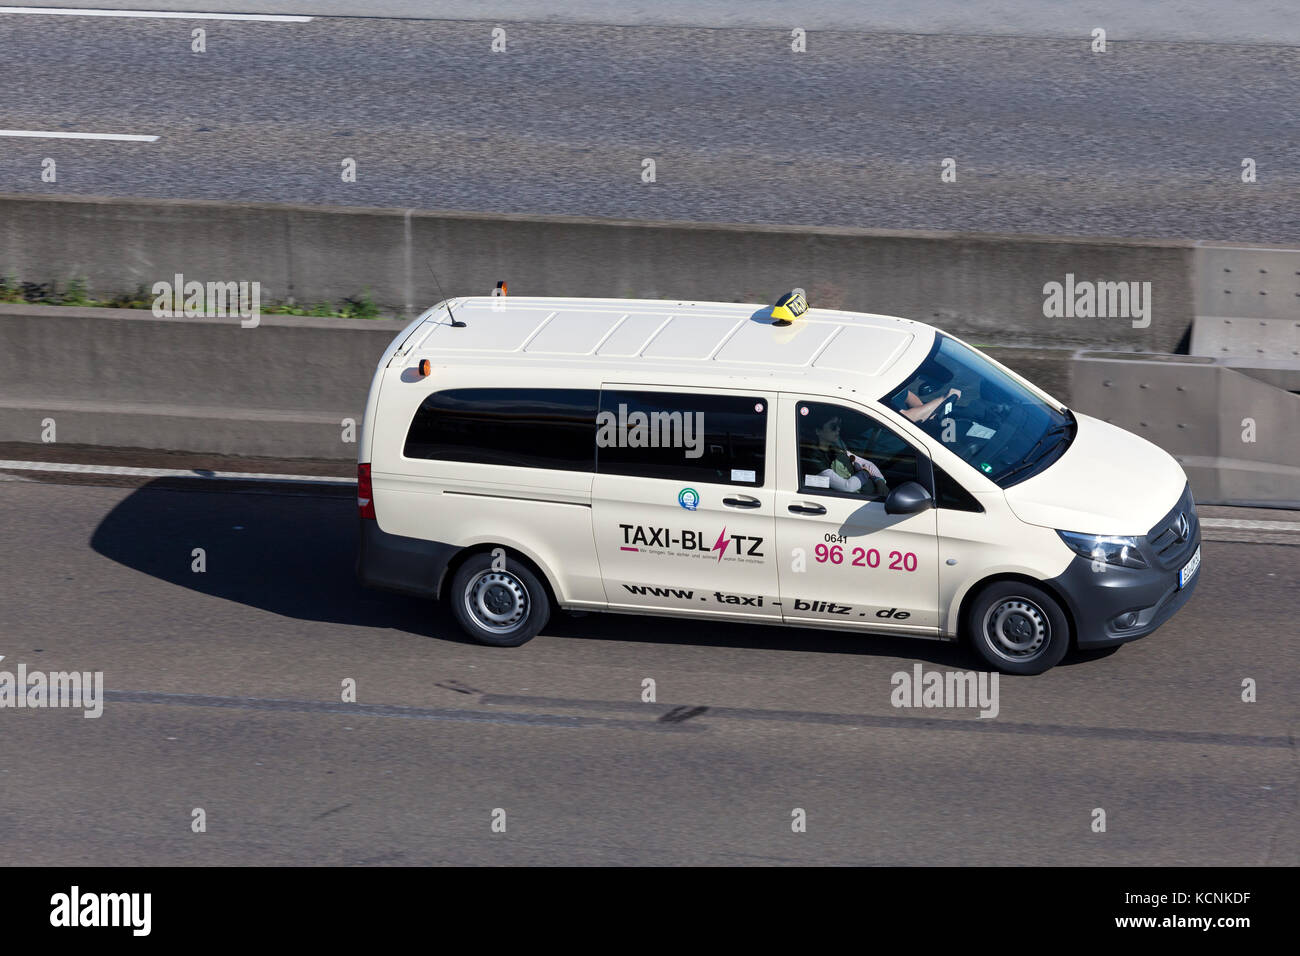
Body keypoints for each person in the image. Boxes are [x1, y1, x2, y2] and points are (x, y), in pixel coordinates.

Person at [799, 411, 890, 497]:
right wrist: (865, 473)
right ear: (818, 431)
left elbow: (869, 465)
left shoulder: (835, 450)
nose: (838, 429)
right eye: (833, 427)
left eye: (839, 426)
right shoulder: (813, 458)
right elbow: (847, 487)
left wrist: (879, 481)